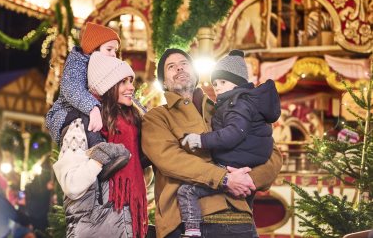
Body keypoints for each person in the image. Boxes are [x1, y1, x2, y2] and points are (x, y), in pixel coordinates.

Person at [141, 48, 283, 238]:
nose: (179, 69)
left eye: (184, 64)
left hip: (238, 217)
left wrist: (249, 179)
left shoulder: (227, 108)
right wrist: (225, 178)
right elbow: (170, 159)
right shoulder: (157, 118)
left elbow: (272, 153)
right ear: (164, 81)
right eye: (171, 67)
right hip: (185, 220)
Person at [52, 52, 148, 238]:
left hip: (128, 225)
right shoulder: (81, 124)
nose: (131, 87)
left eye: (131, 81)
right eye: (123, 82)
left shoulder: (132, 123)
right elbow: (72, 184)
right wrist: (100, 157)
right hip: (97, 227)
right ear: (108, 86)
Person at [45, 22, 120, 144]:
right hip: (66, 114)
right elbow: (71, 88)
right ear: (93, 48)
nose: (113, 54)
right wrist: (92, 108)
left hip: (92, 112)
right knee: (85, 116)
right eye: (109, 49)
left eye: (115, 50)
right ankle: (99, 148)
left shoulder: (108, 70)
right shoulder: (77, 63)